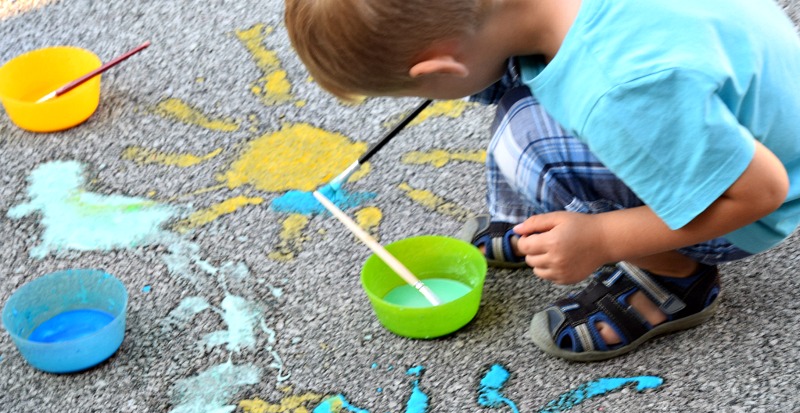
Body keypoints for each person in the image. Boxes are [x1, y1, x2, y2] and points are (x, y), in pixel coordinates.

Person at [284, 0, 800, 361]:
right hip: (738, 107)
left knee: (527, 145)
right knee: (510, 79)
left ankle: (671, 278)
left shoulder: (619, 89)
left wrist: (602, 239)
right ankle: (564, 216)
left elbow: (760, 192)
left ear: (439, 66)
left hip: (749, 201)